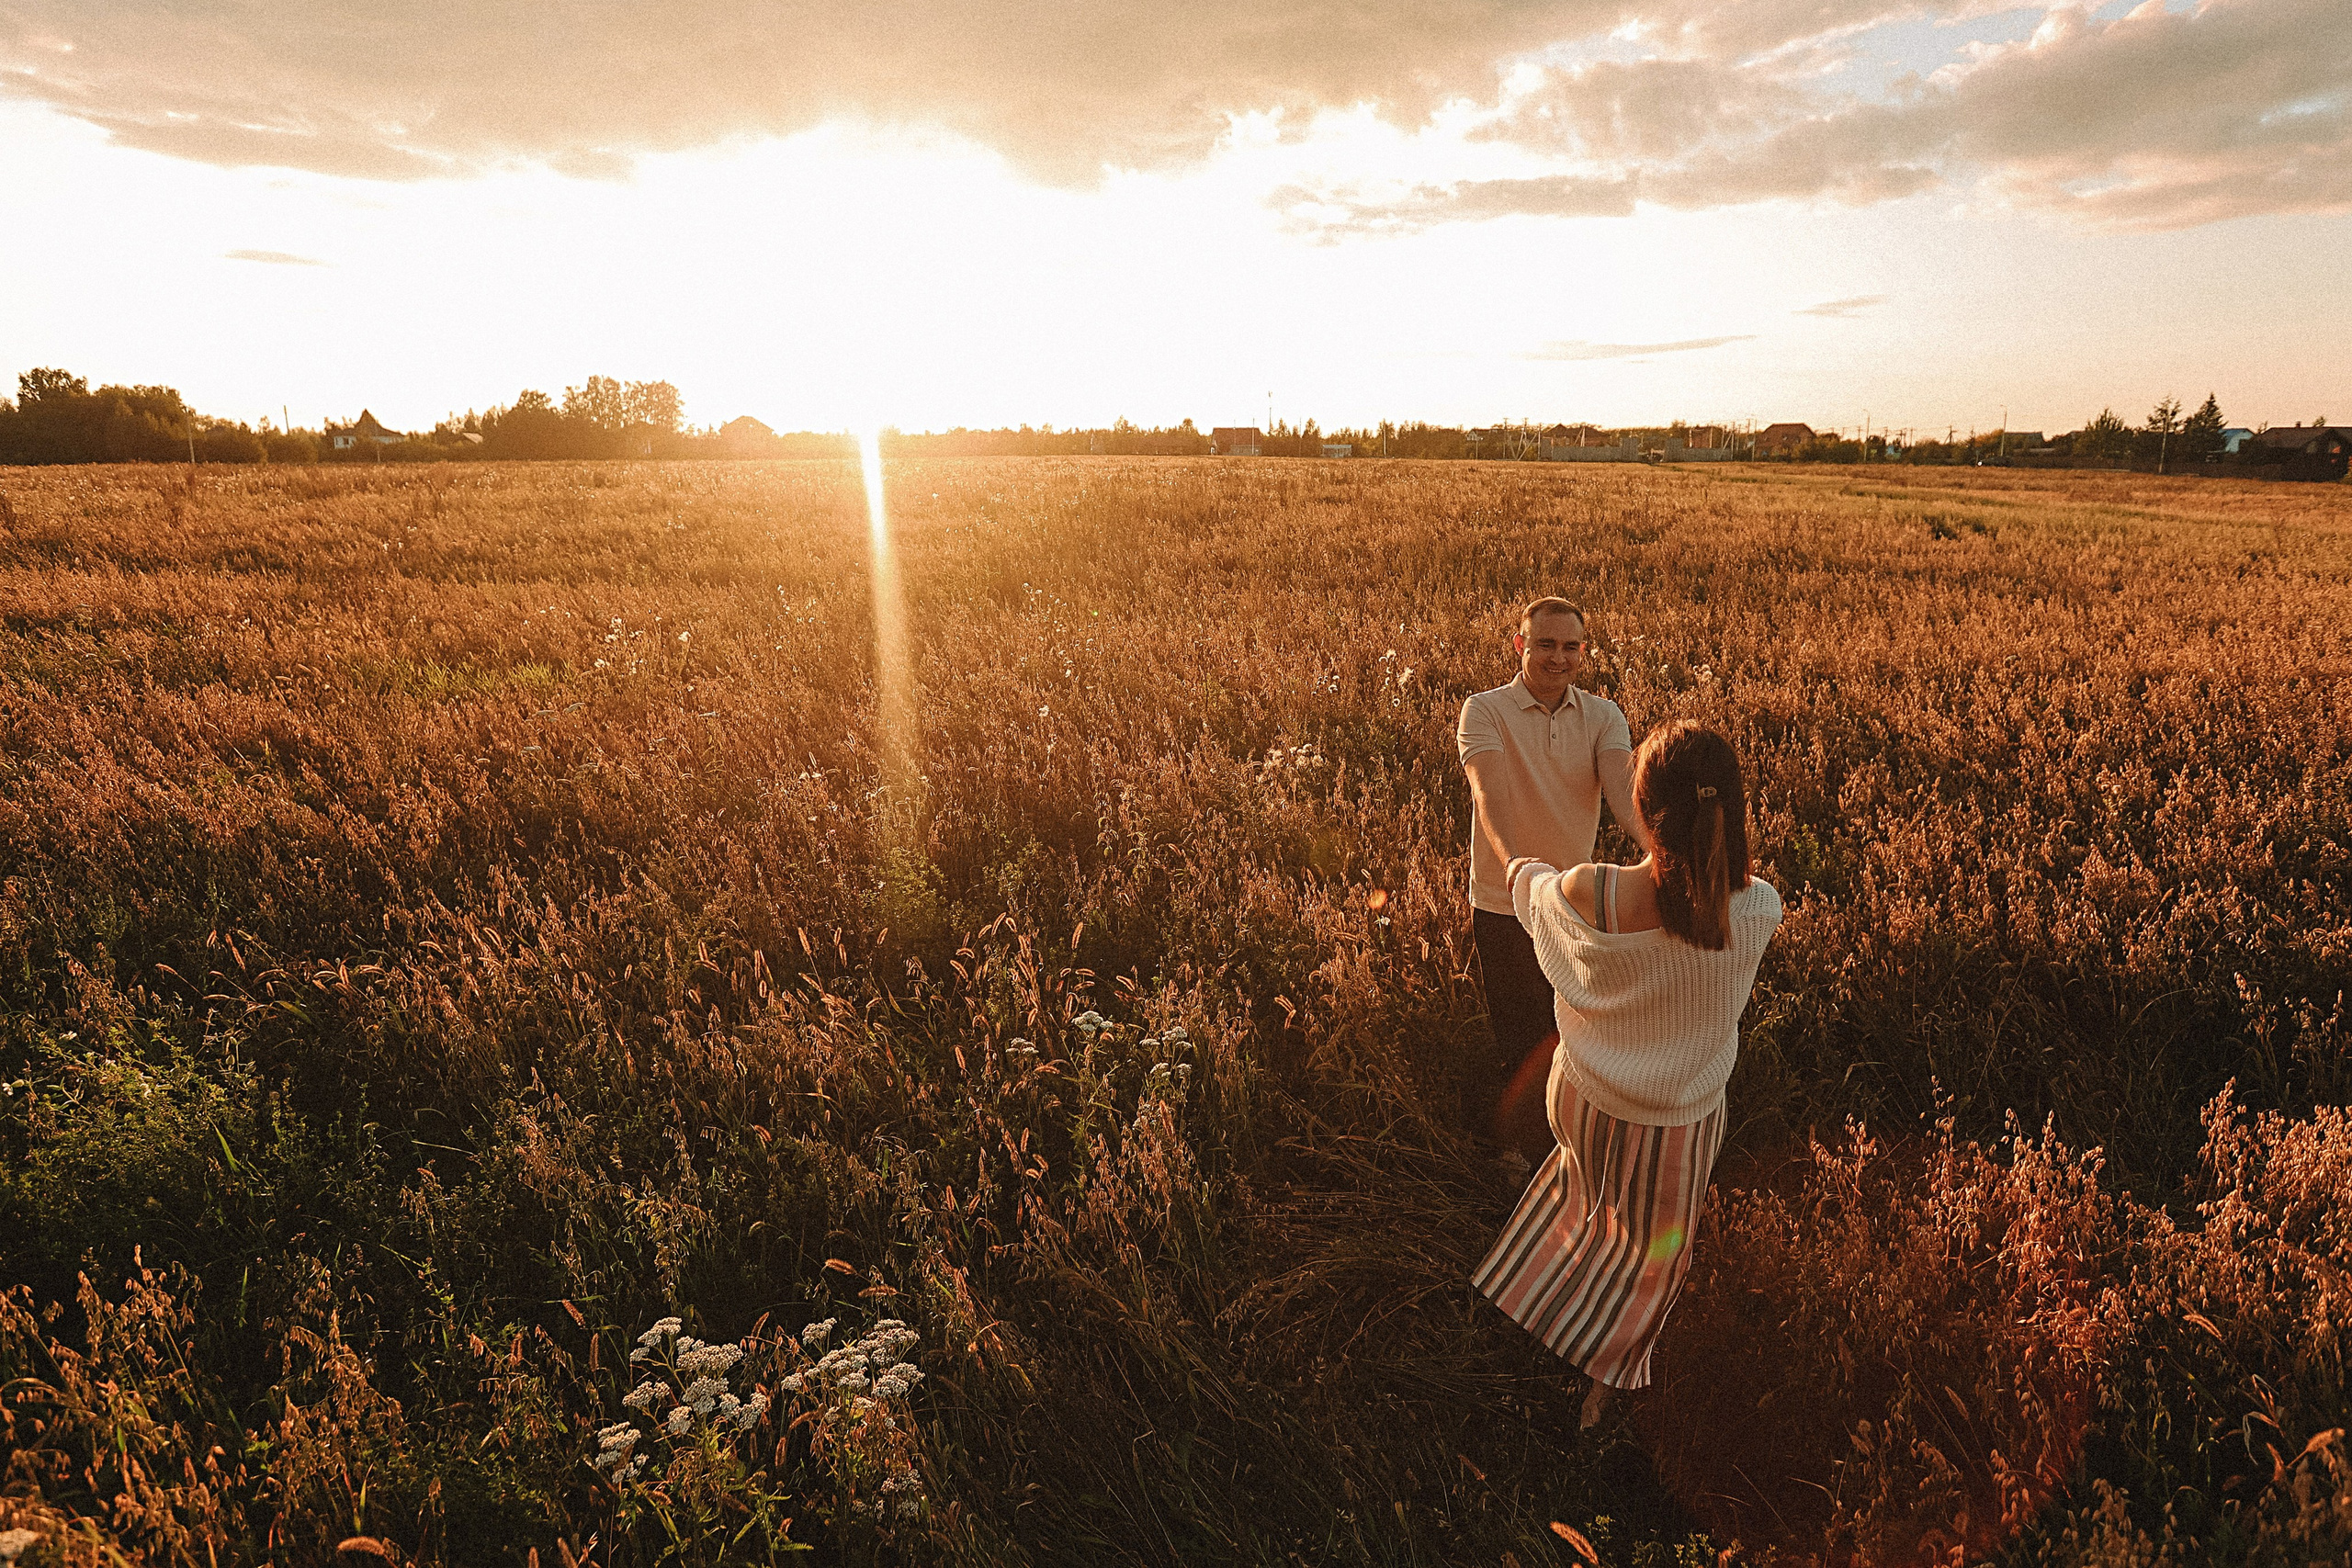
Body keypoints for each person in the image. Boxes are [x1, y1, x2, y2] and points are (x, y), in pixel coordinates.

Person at [1471, 720, 1781, 1431]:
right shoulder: (1759, 909)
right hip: (1677, 1126)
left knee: (1584, 1192)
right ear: (1732, 811)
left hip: (1584, 1101)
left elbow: (1534, 903)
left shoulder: (1590, 892)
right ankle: (1607, 1375)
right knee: (1655, 1249)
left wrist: (1519, 866)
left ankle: (1548, 1296)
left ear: (1642, 813)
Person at [1457, 598, 1645, 1165]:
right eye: (1545, 644)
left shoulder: (1604, 716)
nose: (1557, 658)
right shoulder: (1484, 711)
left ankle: (1571, 1156)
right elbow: (1490, 795)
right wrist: (1516, 866)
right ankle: (1522, 1163)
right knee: (1520, 1037)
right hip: (1504, 902)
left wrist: (1662, 852)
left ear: (1583, 652)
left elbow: (1621, 788)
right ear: (1520, 646)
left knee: (1574, 1040)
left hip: (1574, 905)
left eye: (1570, 647)